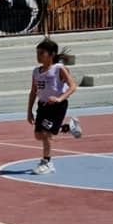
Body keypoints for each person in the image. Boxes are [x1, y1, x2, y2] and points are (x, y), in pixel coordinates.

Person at [28, 38, 83, 175]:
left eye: (42, 53)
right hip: (43, 106)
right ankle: (68, 127)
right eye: (37, 53)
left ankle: (47, 162)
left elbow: (72, 86)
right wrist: (29, 111)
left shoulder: (59, 69)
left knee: (46, 134)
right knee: (38, 135)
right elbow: (33, 91)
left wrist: (59, 99)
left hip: (57, 106)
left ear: (51, 54)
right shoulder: (36, 71)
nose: (38, 56)